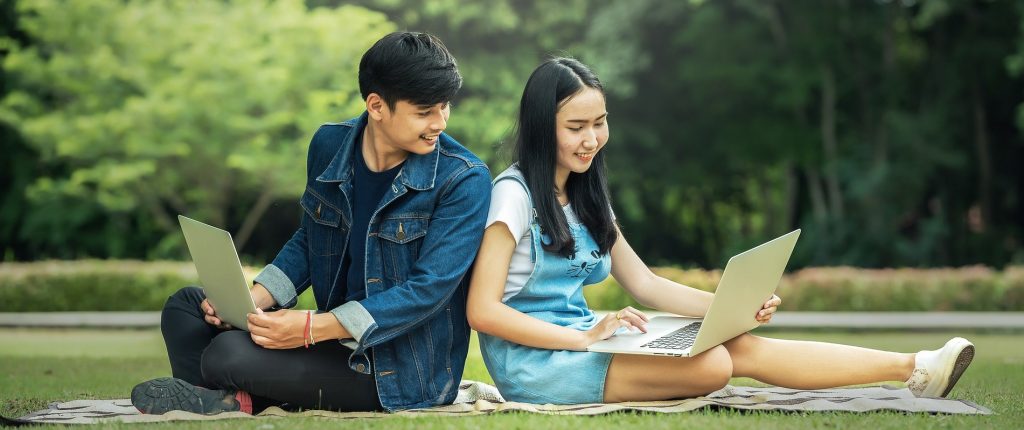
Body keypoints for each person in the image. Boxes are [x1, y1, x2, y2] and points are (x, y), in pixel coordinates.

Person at [467, 57, 975, 405]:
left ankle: (916, 367)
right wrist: (582, 340)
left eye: (599, 122)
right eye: (576, 127)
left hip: (587, 338)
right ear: (541, 127)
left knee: (739, 345)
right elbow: (482, 311)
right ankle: (913, 368)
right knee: (713, 367)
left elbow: (645, 284)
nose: (593, 139)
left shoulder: (584, 194)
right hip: (537, 362)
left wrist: (729, 309)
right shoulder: (513, 197)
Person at [131, 31, 491, 414]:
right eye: (424, 112)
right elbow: (309, 240)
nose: (440, 122)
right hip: (329, 340)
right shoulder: (329, 146)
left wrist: (310, 329)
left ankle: (228, 393)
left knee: (226, 353)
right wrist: (253, 300)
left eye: (444, 107)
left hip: (395, 367)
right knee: (187, 306)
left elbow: (427, 291)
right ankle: (230, 399)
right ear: (376, 105)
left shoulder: (463, 179)